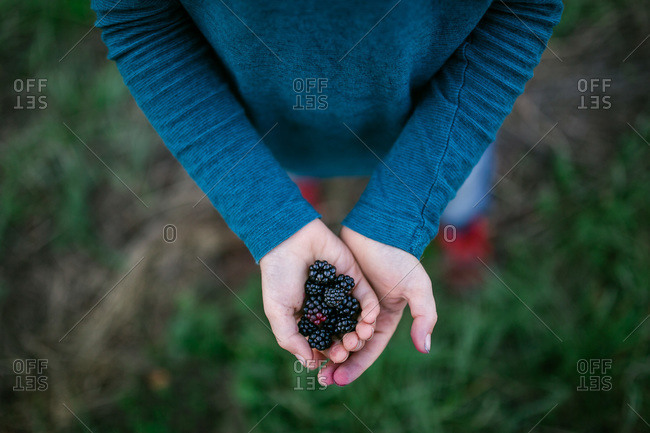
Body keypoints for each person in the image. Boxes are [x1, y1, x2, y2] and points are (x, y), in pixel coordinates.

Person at [91, 0, 562, 386]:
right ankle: (302, 209)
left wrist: (403, 211)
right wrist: (273, 219)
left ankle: (462, 229)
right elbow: (138, 18)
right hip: (277, 131)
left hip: (443, 129)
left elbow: (525, 9)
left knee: (461, 192)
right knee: (289, 178)